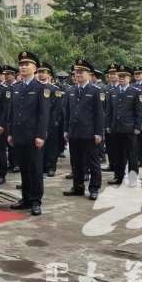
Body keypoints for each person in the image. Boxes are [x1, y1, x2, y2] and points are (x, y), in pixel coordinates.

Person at [8, 52, 50, 216]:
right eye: (21, 64)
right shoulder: (16, 87)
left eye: (27, 64)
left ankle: (36, 201)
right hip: (19, 135)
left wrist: (41, 135)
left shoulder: (41, 88)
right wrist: (10, 133)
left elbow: (43, 114)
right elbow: (12, 113)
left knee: (35, 169)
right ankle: (26, 198)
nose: (23, 67)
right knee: (24, 169)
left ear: (35, 68)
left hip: (33, 136)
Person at [62, 59, 104, 200]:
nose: (78, 74)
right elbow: (67, 113)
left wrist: (98, 133)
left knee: (93, 162)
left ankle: (94, 188)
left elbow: (99, 114)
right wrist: (66, 130)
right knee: (76, 162)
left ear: (89, 74)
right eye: (76, 72)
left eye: (81, 72)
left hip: (90, 133)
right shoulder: (70, 90)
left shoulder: (96, 91)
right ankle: (78, 187)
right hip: (74, 132)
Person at [105, 65, 142, 187]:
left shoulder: (136, 92)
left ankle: (132, 178)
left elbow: (139, 112)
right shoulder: (112, 92)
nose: (121, 78)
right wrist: (108, 125)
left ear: (129, 78)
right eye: (119, 76)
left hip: (130, 129)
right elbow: (109, 111)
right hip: (116, 128)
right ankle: (118, 176)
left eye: (124, 76)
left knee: (132, 155)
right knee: (118, 154)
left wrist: (137, 127)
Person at [37, 63, 63, 178]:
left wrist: (53, 122)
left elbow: (57, 108)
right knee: (39, 146)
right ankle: (41, 167)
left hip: (51, 122)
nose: (41, 74)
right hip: (38, 122)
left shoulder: (55, 89)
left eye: (43, 72)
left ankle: (51, 167)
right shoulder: (36, 87)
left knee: (51, 145)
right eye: (39, 72)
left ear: (49, 75)